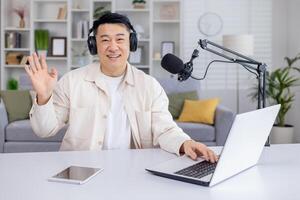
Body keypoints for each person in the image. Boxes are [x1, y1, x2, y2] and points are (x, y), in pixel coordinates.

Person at [25, 12, 218, 163]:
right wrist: (43, 96)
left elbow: (165, 129)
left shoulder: (149, 86)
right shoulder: (72, 81)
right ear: (94, 45)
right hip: (80, 169)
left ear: (131, 44)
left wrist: (186, 142)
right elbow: (44, 130)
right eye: (105, 40)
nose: (113, 46)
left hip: (133, 170)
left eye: (120, 39)